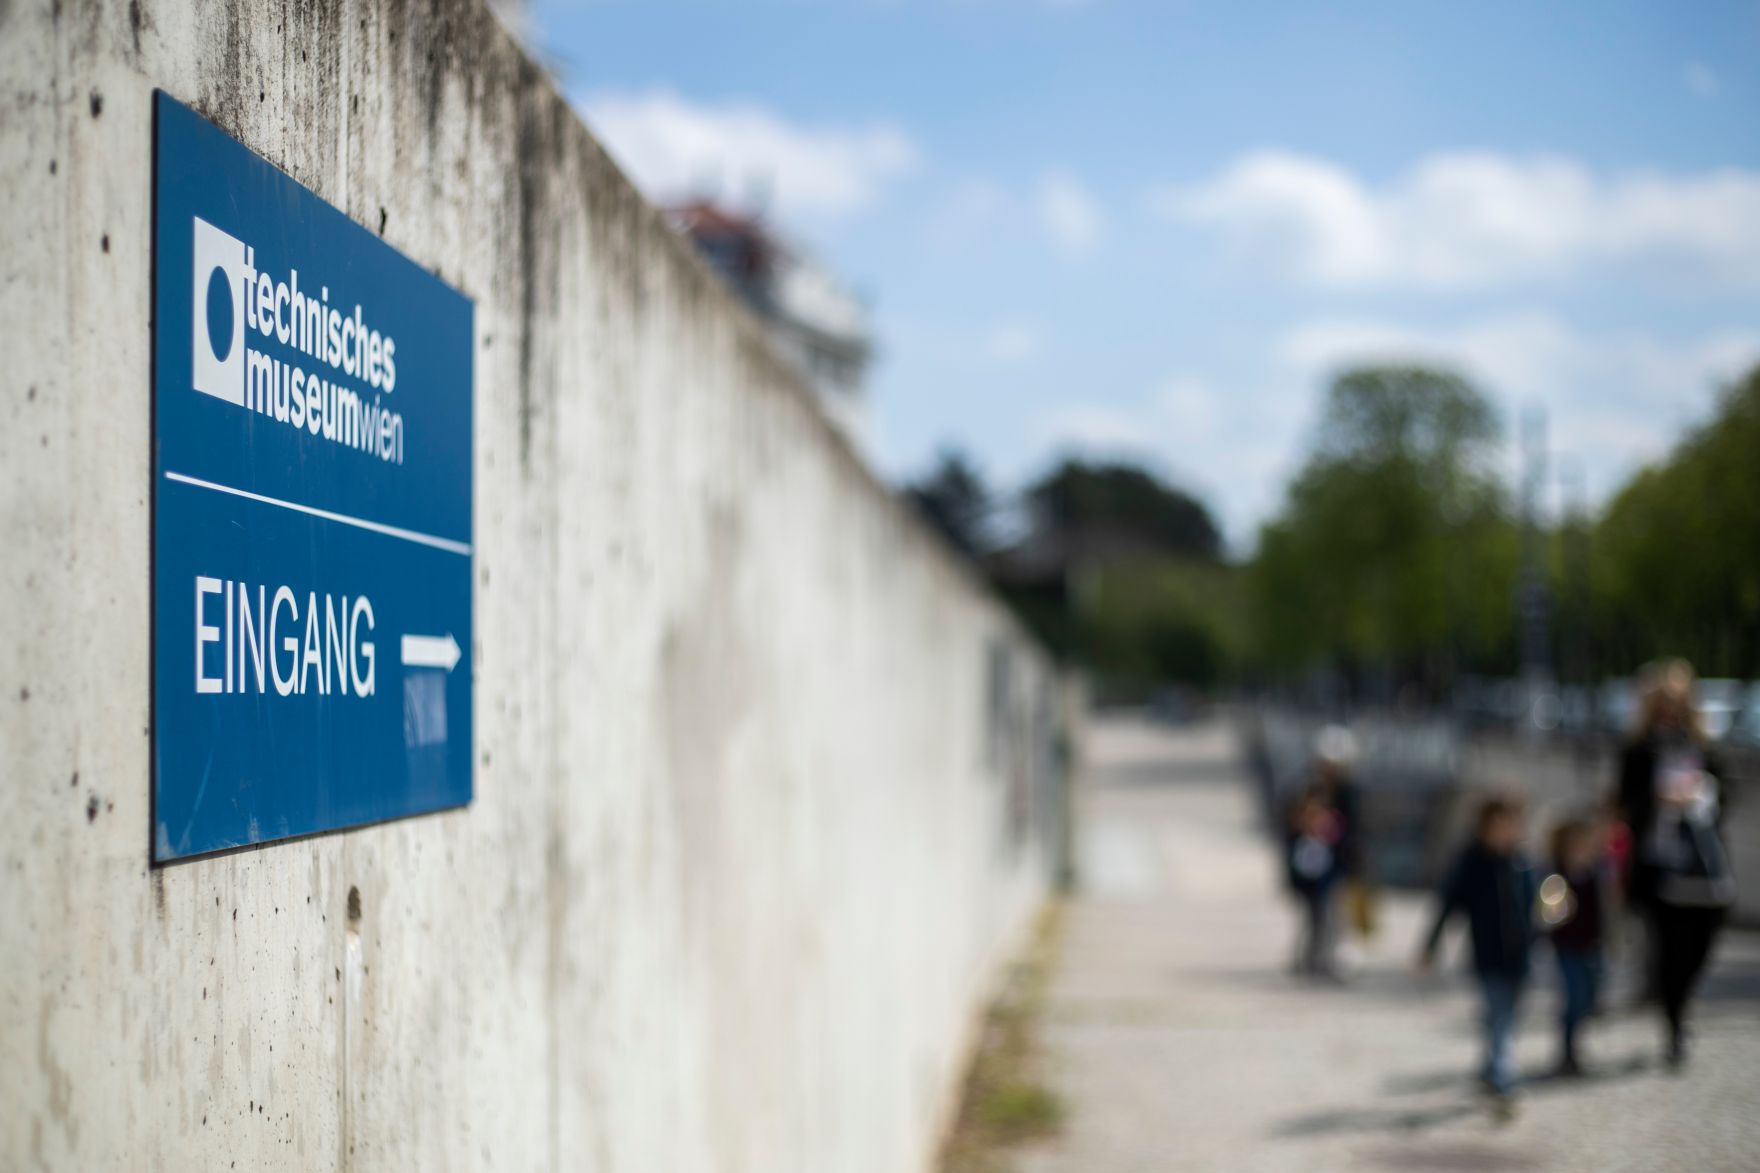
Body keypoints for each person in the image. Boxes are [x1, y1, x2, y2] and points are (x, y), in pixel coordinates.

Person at [1613, 660, 1736, 1067]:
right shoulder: (1638, 750)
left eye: (1677, 703)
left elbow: (1729, 795)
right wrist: (1660, 800)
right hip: (1657, 865)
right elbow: (1624, 804)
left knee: (1700, 942)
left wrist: (1703, 795)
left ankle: (1679, 1005)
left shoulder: (1703, 746)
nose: (1670, 711)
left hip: (1702, 864)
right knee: (1666, 949)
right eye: (1663, 704)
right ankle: (1674, 1025)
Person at [1416, 792, 1537, 1100]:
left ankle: (1490, 1067)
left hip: (1520, 957)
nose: (1509, 831)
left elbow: (1537, 906)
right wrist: (1430, 946)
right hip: (1488, 956)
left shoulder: (1523, 863)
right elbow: (1448, 905)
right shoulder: (1472, 862)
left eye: (1515, 824)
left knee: (1508, 1016)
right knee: (1499, 1016)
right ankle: (1503, 1077)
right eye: (1502, 824)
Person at [1541, 817, 1607, 1076]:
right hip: (1566, 947)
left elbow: (1602, 911)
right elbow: (1548, 913)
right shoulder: (1556, 874)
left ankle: (1575, 1044)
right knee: (1573, 996)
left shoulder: (1594, 872)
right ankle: (1567, 1050)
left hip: (1591, 946)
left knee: (1588, 999)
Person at [1286, 786, 1344, 978]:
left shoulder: (1324, 830)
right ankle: (1309, 960)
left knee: (1324, 923)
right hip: (1310, 886)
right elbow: (1300, 864)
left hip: (1324, 883)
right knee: (1315, 923)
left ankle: (1317, 959)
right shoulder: (1299, 836)